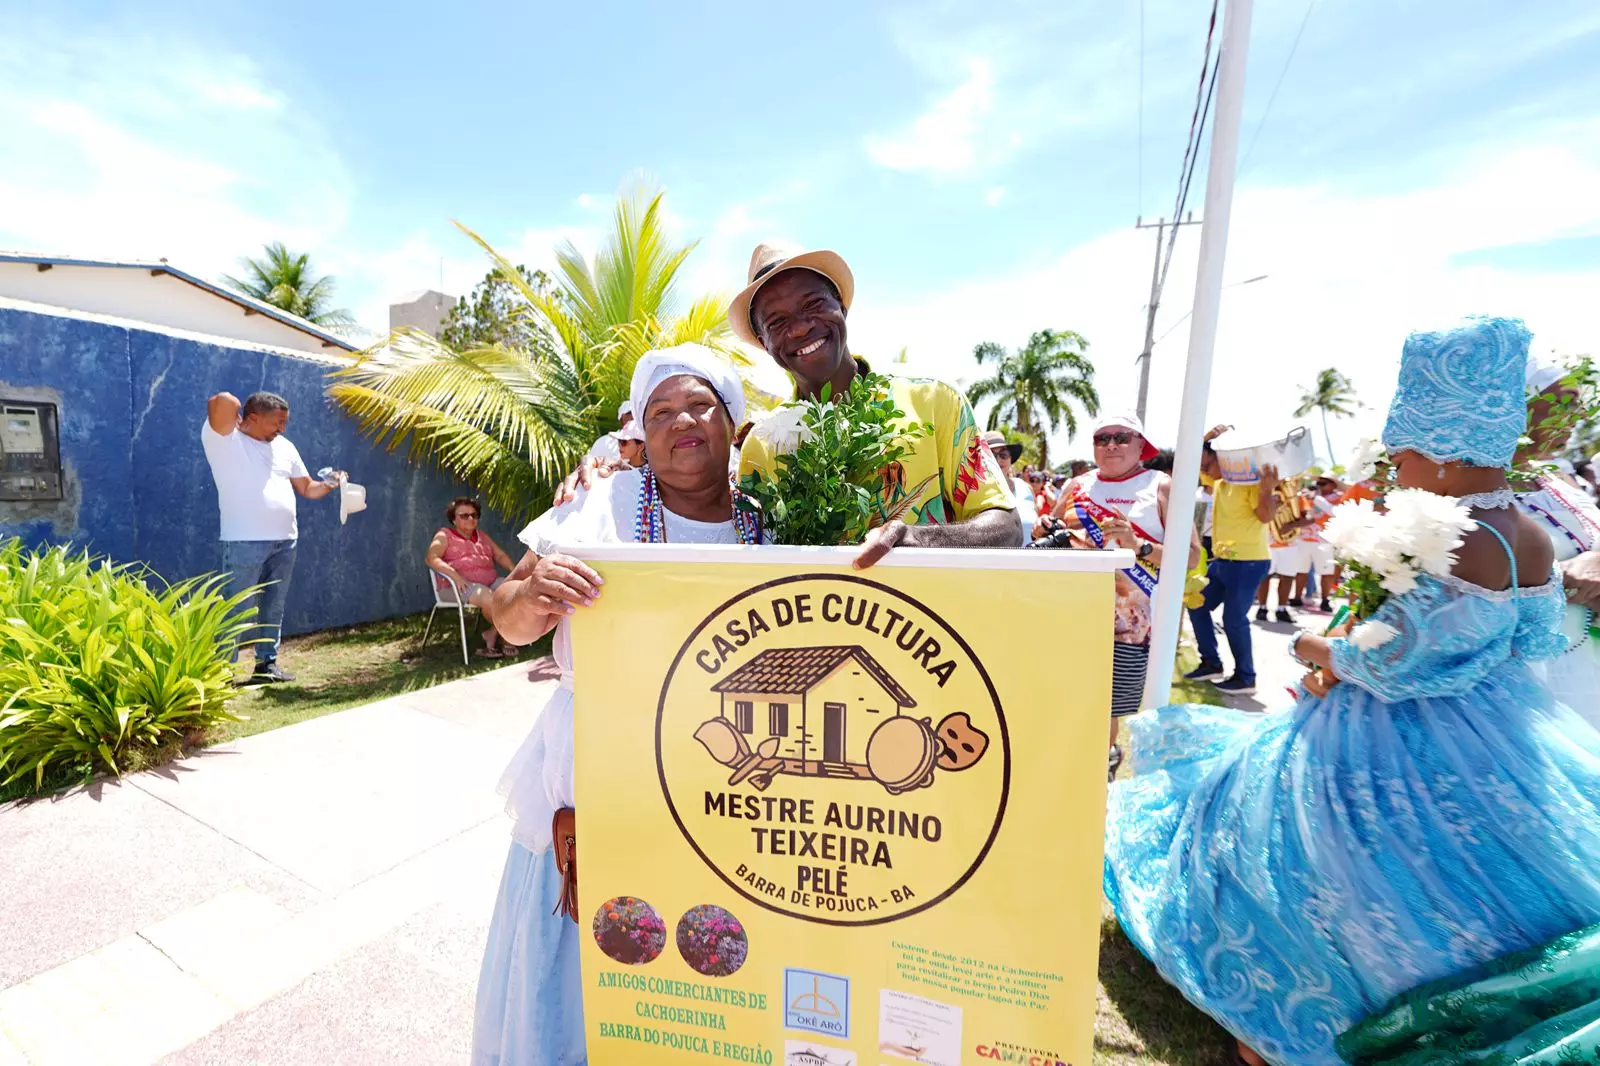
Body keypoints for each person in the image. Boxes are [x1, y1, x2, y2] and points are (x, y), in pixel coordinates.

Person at [1105, 317, 1600, 1066]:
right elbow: (1532, 641)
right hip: (1499, 732)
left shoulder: (1454, 531)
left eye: (1401, 449)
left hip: (1382, 736)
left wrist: (1318, 648)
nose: (1395, 466)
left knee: (1331, 868)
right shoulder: (1528, 531)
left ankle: (1296, 1017)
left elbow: (1389, 659)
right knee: (1486, 874)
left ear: (1436, 443)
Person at [474, 344, 764, 1066]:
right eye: (659, 411)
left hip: (722, 785)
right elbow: (505, 619)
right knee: (582, 977)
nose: (681, 422)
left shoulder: (768, 524)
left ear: (733, 423)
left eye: (699, 404)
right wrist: (534, 596)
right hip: (596, 781)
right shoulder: (599, 504)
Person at [729, 241, 1022, 562]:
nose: (800, 327)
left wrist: (919, 538)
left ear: (841, 305)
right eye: (777, 323)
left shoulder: (933, 400)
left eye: (812, 304)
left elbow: (1007, 527)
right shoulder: (762, 444)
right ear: (763, 342)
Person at [1047, 413, 1201, 777]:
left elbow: (1191, 557)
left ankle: (1101, 776)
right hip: (1069, 613)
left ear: (1140, 445)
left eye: (1121, 437)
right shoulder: (1076, 486)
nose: (1111, 444)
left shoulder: (1161, 486)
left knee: (1107, 707)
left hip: (1131, 624)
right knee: (1066, 700)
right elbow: (1050, 533)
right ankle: (1068, 774)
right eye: (1102, 438)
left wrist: (1140, 547)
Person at [201, 390, 341, 683]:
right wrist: (236, 419)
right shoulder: (226, 440)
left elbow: (308, 489)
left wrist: (330, 483)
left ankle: (266, 665)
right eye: (277, 422)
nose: (282, 428)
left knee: (273, 605)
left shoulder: (285, 447)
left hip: (286, 540)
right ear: (251, 417)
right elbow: (221, 401)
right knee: (235, 608)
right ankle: (221, 675)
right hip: (243, 541)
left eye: (285, 422)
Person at [1515, 357, 1600, 731]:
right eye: (1563, 404)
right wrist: (1558, 578)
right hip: (1532, 679)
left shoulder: (1557, 482)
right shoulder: (1468, 488)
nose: (1575, 418)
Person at [1182, 427, 1279, 696]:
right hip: (1223, 561)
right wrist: (1206, 438)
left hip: (1249, 562)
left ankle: (1246, 678)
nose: (1204, 468)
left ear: (1222, 459)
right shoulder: (1219, 482)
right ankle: (1211, 663)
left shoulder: (1248, 483)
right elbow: (1189, 459)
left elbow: (1265, 516)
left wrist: (1266, 490)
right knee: (1196, 602)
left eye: (1207, 463)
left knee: (1234, 618)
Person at [426, 497, 520, 658]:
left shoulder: (482, 536)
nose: (470, 518)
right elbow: (431, 558)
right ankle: (505, 637)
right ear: (453, 519)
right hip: (456, 587)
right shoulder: (444, 535)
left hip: (488, 583)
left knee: (516, 591)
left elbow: (500, 555)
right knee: (492, 599)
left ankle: (492, 633)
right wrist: (456, 577)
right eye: (464, 515)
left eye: (474, 515)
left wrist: (514, 572)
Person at [981, 430, 1036, 545]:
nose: (998, 460)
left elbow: (1036, 526)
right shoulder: (976, 493)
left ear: (1010, 459)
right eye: (990, 454)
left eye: (1003, 455)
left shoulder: (1025, 488)